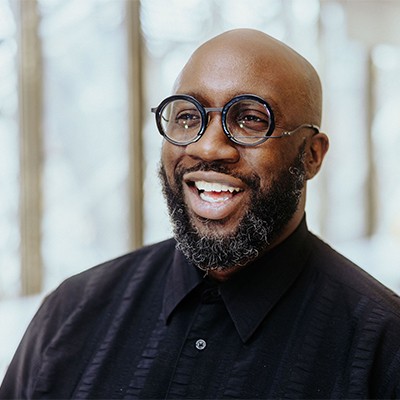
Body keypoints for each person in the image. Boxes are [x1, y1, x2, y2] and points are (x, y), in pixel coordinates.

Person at [1, 29, 399, 399]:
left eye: (250, 119)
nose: (208, 148)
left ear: (312, 155)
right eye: (189, 116)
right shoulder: (73, 311)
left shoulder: (382, 347)